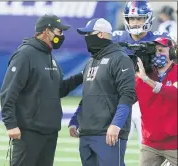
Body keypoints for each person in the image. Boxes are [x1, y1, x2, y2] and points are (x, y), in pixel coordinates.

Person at [0, 14, 83, 166]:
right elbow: (8, 92)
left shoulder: (49, 56)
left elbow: (59, 90)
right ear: (46, 31)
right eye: (59, 31)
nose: (61, 36)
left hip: (49, 132)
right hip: (28, 132)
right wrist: (10, 124)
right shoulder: (25, 55)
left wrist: (81, 76)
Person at [69, 18, 136, 166]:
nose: (86, 38)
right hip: (87, 132)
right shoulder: (91, 61)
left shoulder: (120, 59)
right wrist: (75, 120)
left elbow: (128, 94)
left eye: (89, 34)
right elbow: (88, 95)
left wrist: (116, 125)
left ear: (100, 34)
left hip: (108, 132)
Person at [112, 0, 171, 146]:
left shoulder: (160, 39)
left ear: (148, 18)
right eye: (132, 18)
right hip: (122, 99)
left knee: (154, 150)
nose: (136, 22)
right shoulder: (116, 38)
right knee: (113, 148)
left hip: (152, 102)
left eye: (140, 18)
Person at [136, 37, 177, 166]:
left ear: (171, 52)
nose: (157, 54)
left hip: (175, 143)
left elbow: (174, 93)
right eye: (154, 51)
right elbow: (127, 98)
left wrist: (146, 79)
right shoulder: (143, 74)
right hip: (150, 143)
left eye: (161, 50)